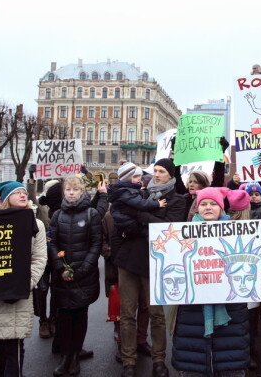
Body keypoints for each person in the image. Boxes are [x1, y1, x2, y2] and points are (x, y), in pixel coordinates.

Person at [113, 158, 185, 377]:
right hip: (129, 260)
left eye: (161, 171)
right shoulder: (141, 193)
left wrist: (142, 217)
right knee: (127, 313)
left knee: (156, 314)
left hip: (156, 262)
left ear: (171, 175)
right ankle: (128, 360)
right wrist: (147, 220)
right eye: (155, 170)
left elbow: (166, 229)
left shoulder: (178, 200)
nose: (156, 174)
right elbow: (124, 221)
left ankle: (159, 361)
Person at [171, 187, 250, 377]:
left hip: (231, 312)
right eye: (203, 204)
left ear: (221, 208)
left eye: (213, 204)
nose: (208, 207)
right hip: (193, 313)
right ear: (197, 208)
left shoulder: (238, 233)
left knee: (229, 363)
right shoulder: (181, 235)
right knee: (194, 366)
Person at [0, 181, 47, 377]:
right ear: (5, 198)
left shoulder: (36, 224)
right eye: (17, 192)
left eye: (25, 192)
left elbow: (39, 259)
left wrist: (23, 285)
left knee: (13, 348)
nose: (24, 195)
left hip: (18, 296)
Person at [47, 175, 107, 376]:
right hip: (62, 276)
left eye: (75, 190)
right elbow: (52, 242)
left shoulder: (91, 214)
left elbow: (96, 244)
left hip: (84, 276)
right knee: (64, 317)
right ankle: (65, 356)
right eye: (68, 190)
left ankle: (74, 357)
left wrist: (82, 269)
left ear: (82, 192)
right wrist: (60, 267)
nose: (71, 193)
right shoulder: (57, 215)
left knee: (79, 317)